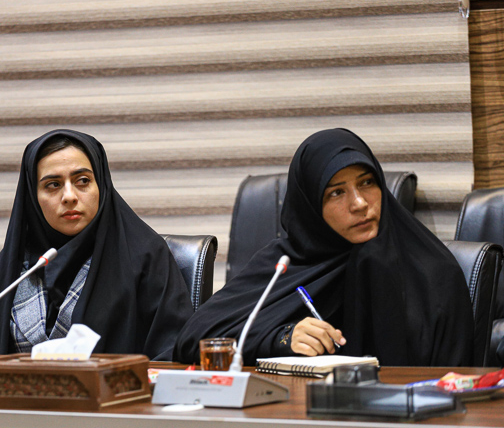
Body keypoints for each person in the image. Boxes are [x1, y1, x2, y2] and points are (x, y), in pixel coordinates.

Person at [175, 128, 474, 366]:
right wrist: (282, 339)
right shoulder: (283, 266)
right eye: (336, 193)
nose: (359, 203)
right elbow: (193, 341)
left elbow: (455, 381)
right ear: (310, 207)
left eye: (367, 183)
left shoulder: (432, 273)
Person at [0, 129, 193, 359]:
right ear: (32, 196)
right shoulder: (18, 260)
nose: (69, 196)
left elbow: (173, 355)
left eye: (82, 181)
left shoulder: (145, 255)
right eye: (53, 184)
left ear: (101, 184)